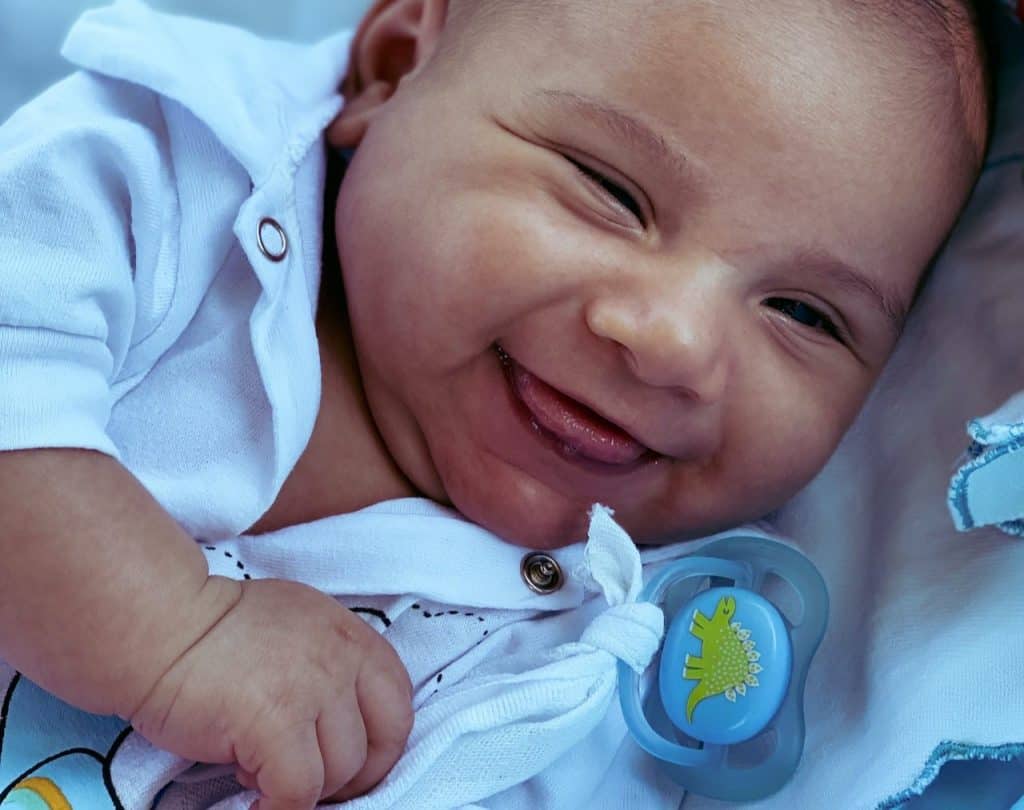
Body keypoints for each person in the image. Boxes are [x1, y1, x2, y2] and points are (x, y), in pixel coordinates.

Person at [0, 0, 993, 807]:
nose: (674, 342)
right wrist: (181, 635)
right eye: (612, 191)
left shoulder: (612, 669)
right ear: (393, 70)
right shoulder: (167, 180)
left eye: (803, 315)